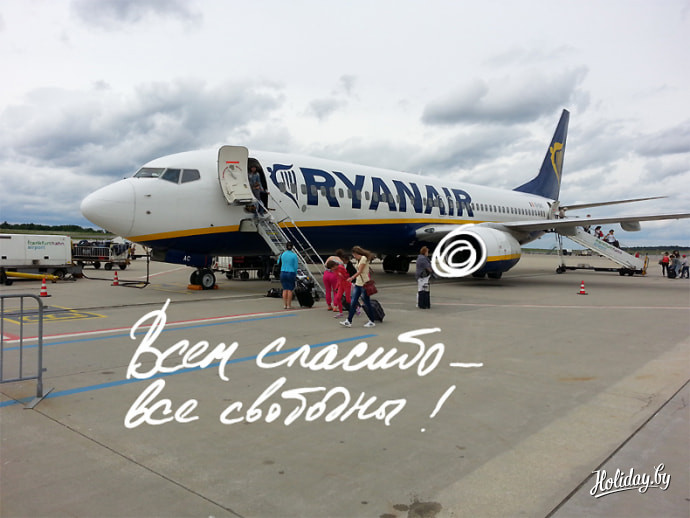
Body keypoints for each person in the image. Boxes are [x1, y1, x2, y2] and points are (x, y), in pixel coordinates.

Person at [340, 246, 376, 328]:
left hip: (364, 284)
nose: (354, 257)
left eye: (354, 255)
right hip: (358, 283)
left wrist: (351, 278)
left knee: (366, 303)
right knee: (353, 302)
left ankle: (372, 321)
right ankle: (348, 321)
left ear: (357, 253)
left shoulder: (363, 258)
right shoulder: (358, 260)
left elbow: (360, 271)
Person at [278, 242, 299, 309]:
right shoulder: (294, 255)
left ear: (286, 247)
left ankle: (285, 305)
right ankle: (289, 305)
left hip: (283, 272)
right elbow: (295, 266)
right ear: (292, 247)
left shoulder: (282, 254)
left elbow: (278, 262)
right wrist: (295, 273)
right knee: (290, 289)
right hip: (291, 272)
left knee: (285, 289)